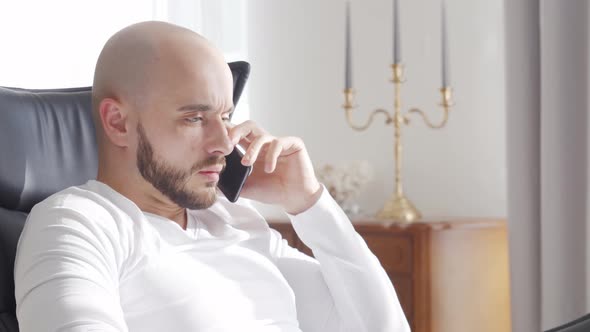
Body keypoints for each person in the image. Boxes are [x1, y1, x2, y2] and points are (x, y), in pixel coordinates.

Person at [13, 21, 409, 332]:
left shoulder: (232, 220)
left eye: (226, 117)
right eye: (195, 118)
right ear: (118, 123)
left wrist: (308, 203)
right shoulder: (77, 224)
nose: (223, 143)